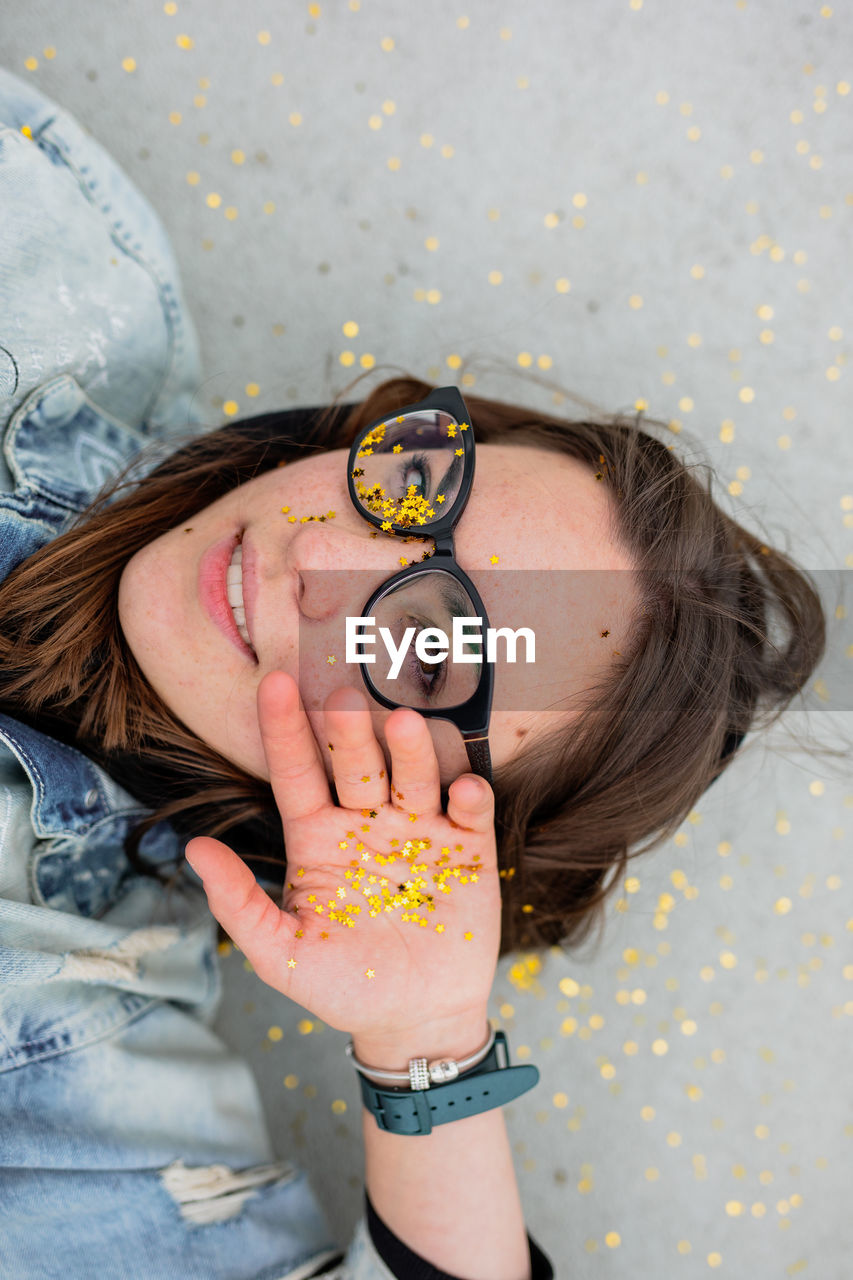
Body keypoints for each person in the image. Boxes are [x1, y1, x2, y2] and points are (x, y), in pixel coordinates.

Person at [0, 68, 829, 1280]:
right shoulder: (67, 269)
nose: (316, 556)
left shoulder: (94, 1045)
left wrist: (426, 1043)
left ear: (425, 821)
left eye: (425, 652)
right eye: (412, 485)